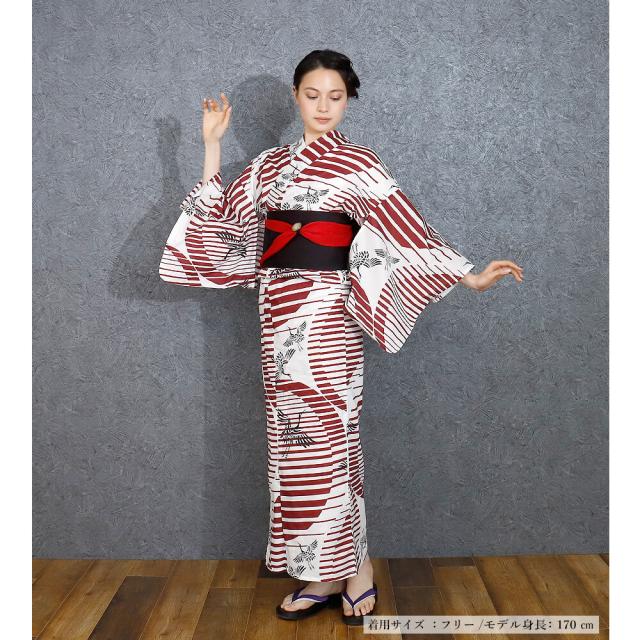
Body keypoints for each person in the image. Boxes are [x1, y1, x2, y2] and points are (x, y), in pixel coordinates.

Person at [159, 49, 523, 625]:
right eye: (312, 95)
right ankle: (322, 571)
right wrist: (211, 147)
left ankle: (357, 569)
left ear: (348, 99)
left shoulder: (359, 164)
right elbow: (222, 221)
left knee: (334, 438)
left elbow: (406, 229)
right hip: (277, 314)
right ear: (296, 97)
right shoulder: (267, 166)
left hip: (330, 316)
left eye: (335, 96)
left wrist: (468, 276)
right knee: (293, 447)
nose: (323, 106)